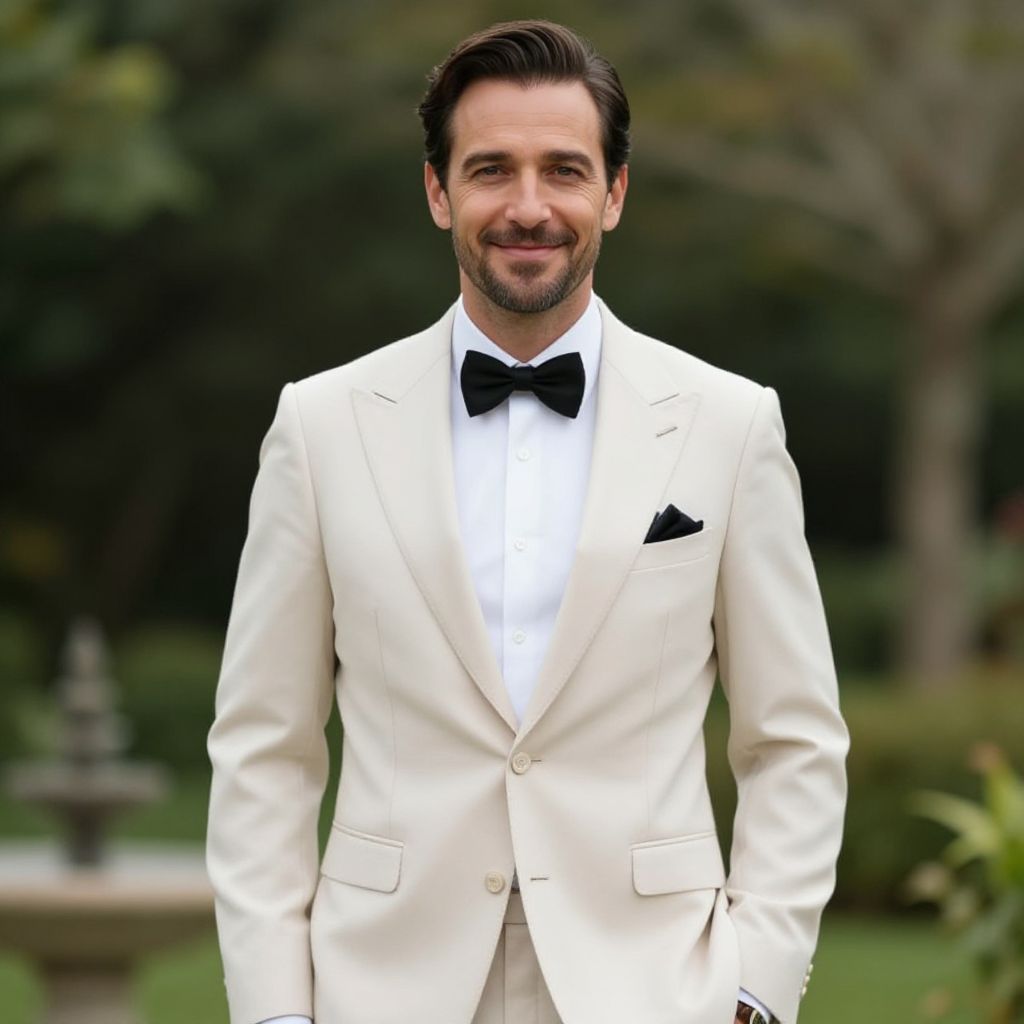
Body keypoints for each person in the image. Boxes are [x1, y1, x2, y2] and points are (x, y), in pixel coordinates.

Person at [205, 19, 849, 1024]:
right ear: (437, 191)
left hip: (653, 986)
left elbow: (792, 741)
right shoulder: (320, 425)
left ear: (614, 192)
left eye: (563, 169)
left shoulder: (730, 424)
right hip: (383, 985)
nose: (528, 206)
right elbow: (265, 749)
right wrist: (276, 1010)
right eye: (490, 169)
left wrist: (755, 989)